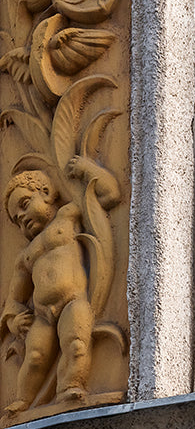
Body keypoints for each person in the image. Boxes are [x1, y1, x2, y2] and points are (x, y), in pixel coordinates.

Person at [1, 157, 116, 414]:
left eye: (24, 204)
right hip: (42, 315)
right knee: (35, 358)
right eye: (16, 219)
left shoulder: (66, 218)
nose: (21, 218)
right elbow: (13, 300)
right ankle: (24, 400)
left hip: (73, 301)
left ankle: (69, 389)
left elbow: (109, 194)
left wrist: (88, 169)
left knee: (76, 344)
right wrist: (13, 321)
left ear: (46, 193)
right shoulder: (26, 255)